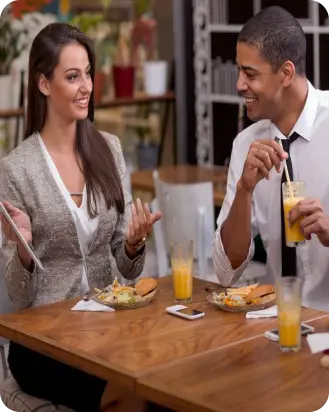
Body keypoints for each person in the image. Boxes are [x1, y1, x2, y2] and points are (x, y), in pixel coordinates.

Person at [0, 22, 162, 412]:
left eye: (88, 73)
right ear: (43, 84)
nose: (86, 86)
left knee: (165, 379)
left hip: (109, 327)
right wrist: (23, 249)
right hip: (45, 343)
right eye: (73, 76)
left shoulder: (109, 148)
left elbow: (127, 268)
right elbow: (17, 296)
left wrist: (134, 241)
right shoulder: (15, 168)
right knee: (129, 395)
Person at [213, 6, 329, 311]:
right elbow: (227, 271)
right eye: (239, 71)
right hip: (275, 323)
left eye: (250, 74)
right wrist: (244, 190)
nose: (239, 85)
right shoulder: (245, 145)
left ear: (286, 73)